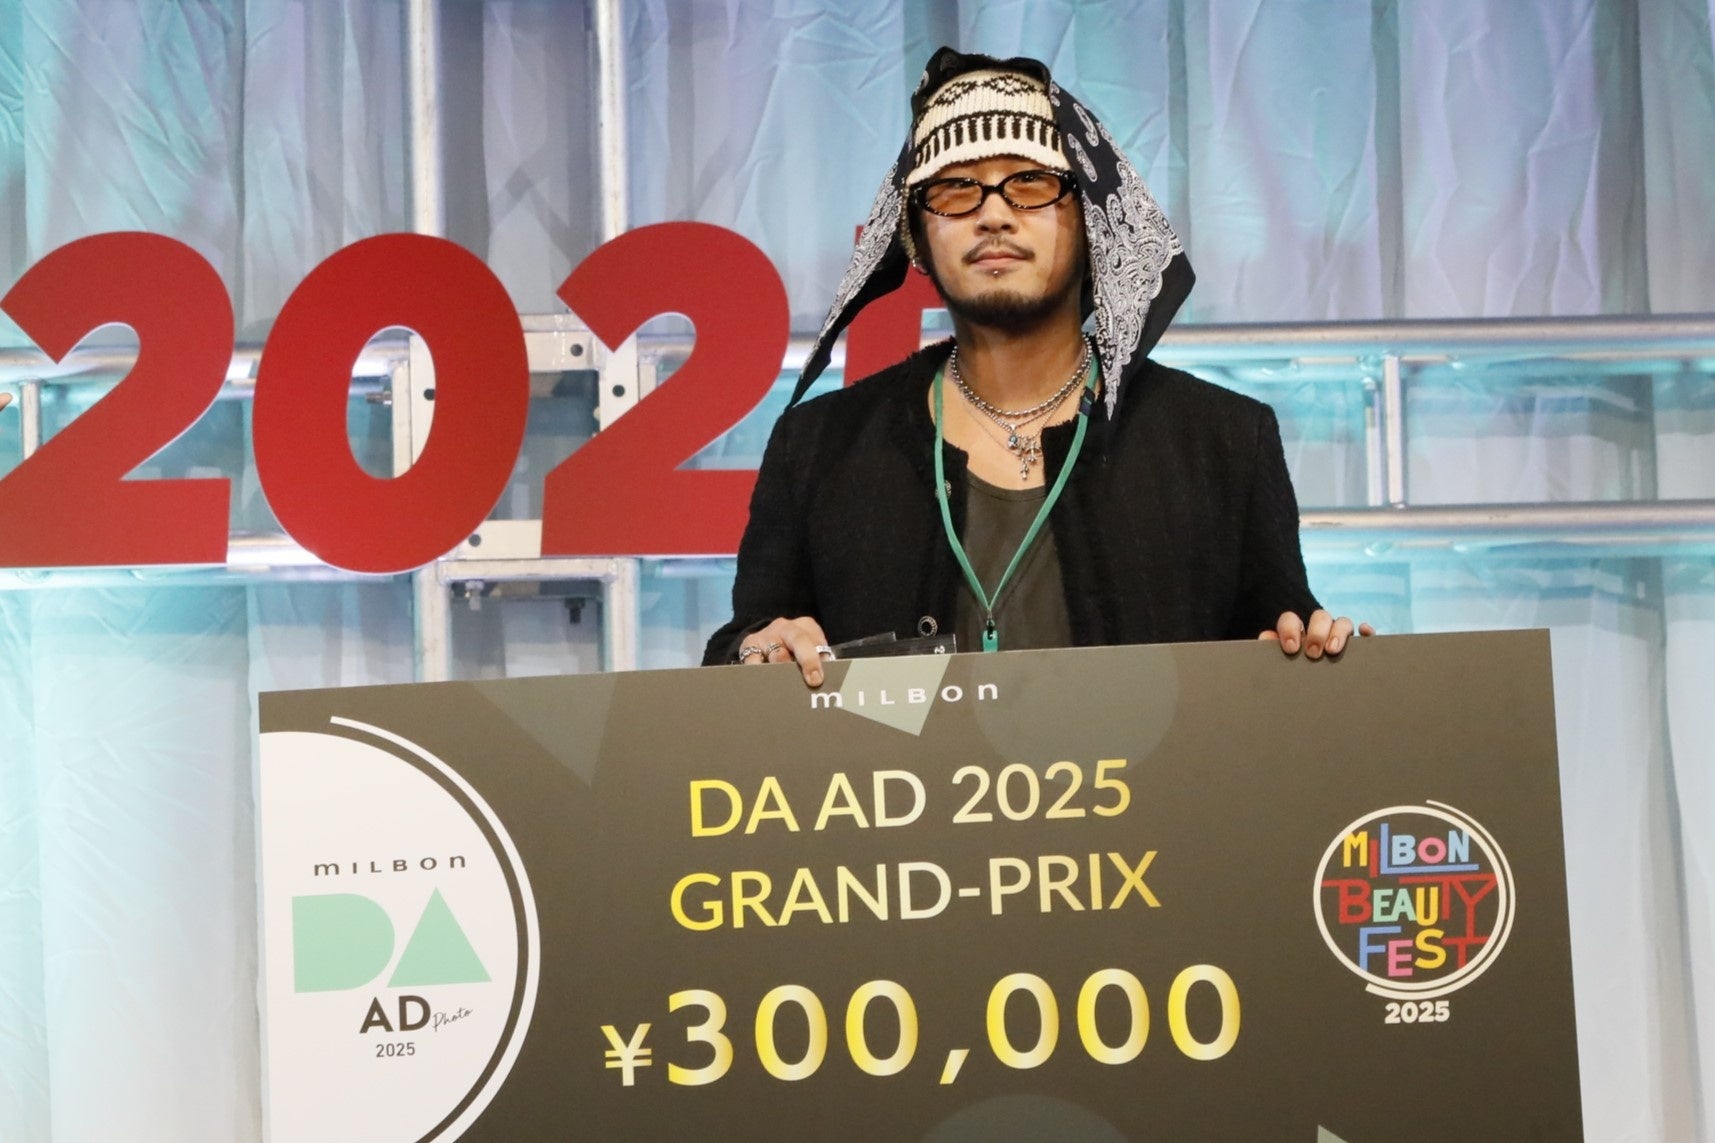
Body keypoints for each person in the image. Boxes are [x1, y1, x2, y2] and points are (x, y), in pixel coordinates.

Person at [703, 48, 1369, 685]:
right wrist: (755, 653)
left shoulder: (1222, 439)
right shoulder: (819, 446)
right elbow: (744, 650)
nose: (993, 214)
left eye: (1030, 183)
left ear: (1093, 218)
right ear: (916, 235)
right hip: (893, 772)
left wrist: (1313, 656)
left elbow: (1277, 649)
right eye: (955, 190)